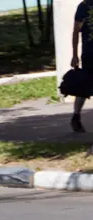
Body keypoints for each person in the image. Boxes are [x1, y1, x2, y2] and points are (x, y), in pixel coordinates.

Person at [72, 0, 93, 133]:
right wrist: (75, 55)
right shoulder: (84, 7)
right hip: (90, 55)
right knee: (84, 88)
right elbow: (76, 31)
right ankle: (76, 116)